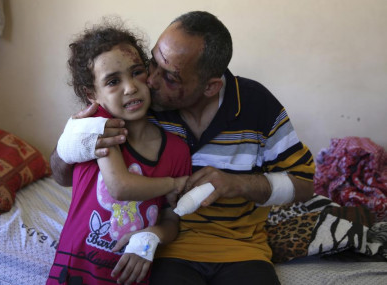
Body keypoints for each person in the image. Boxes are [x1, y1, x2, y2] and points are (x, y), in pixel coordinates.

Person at [51, 11, 315, 285]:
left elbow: (305, 185)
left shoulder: (257, 106)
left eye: (170, 77)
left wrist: (235, 184)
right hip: (169, 249)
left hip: (241, 248)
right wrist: (70, 143)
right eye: (152, 62)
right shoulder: (139, 105)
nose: (149, 81)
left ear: (210, 87)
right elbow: (64, 175)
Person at [46, 20, 191, 285]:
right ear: (92, 94)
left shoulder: (177, 150)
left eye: (137, 72)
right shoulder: (97, 130)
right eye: (113, 81)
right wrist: (174, 183)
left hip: (128, 275)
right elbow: (120, 187)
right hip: (75, 268)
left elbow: (172, 218)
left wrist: (152, 236)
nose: (131, 87)